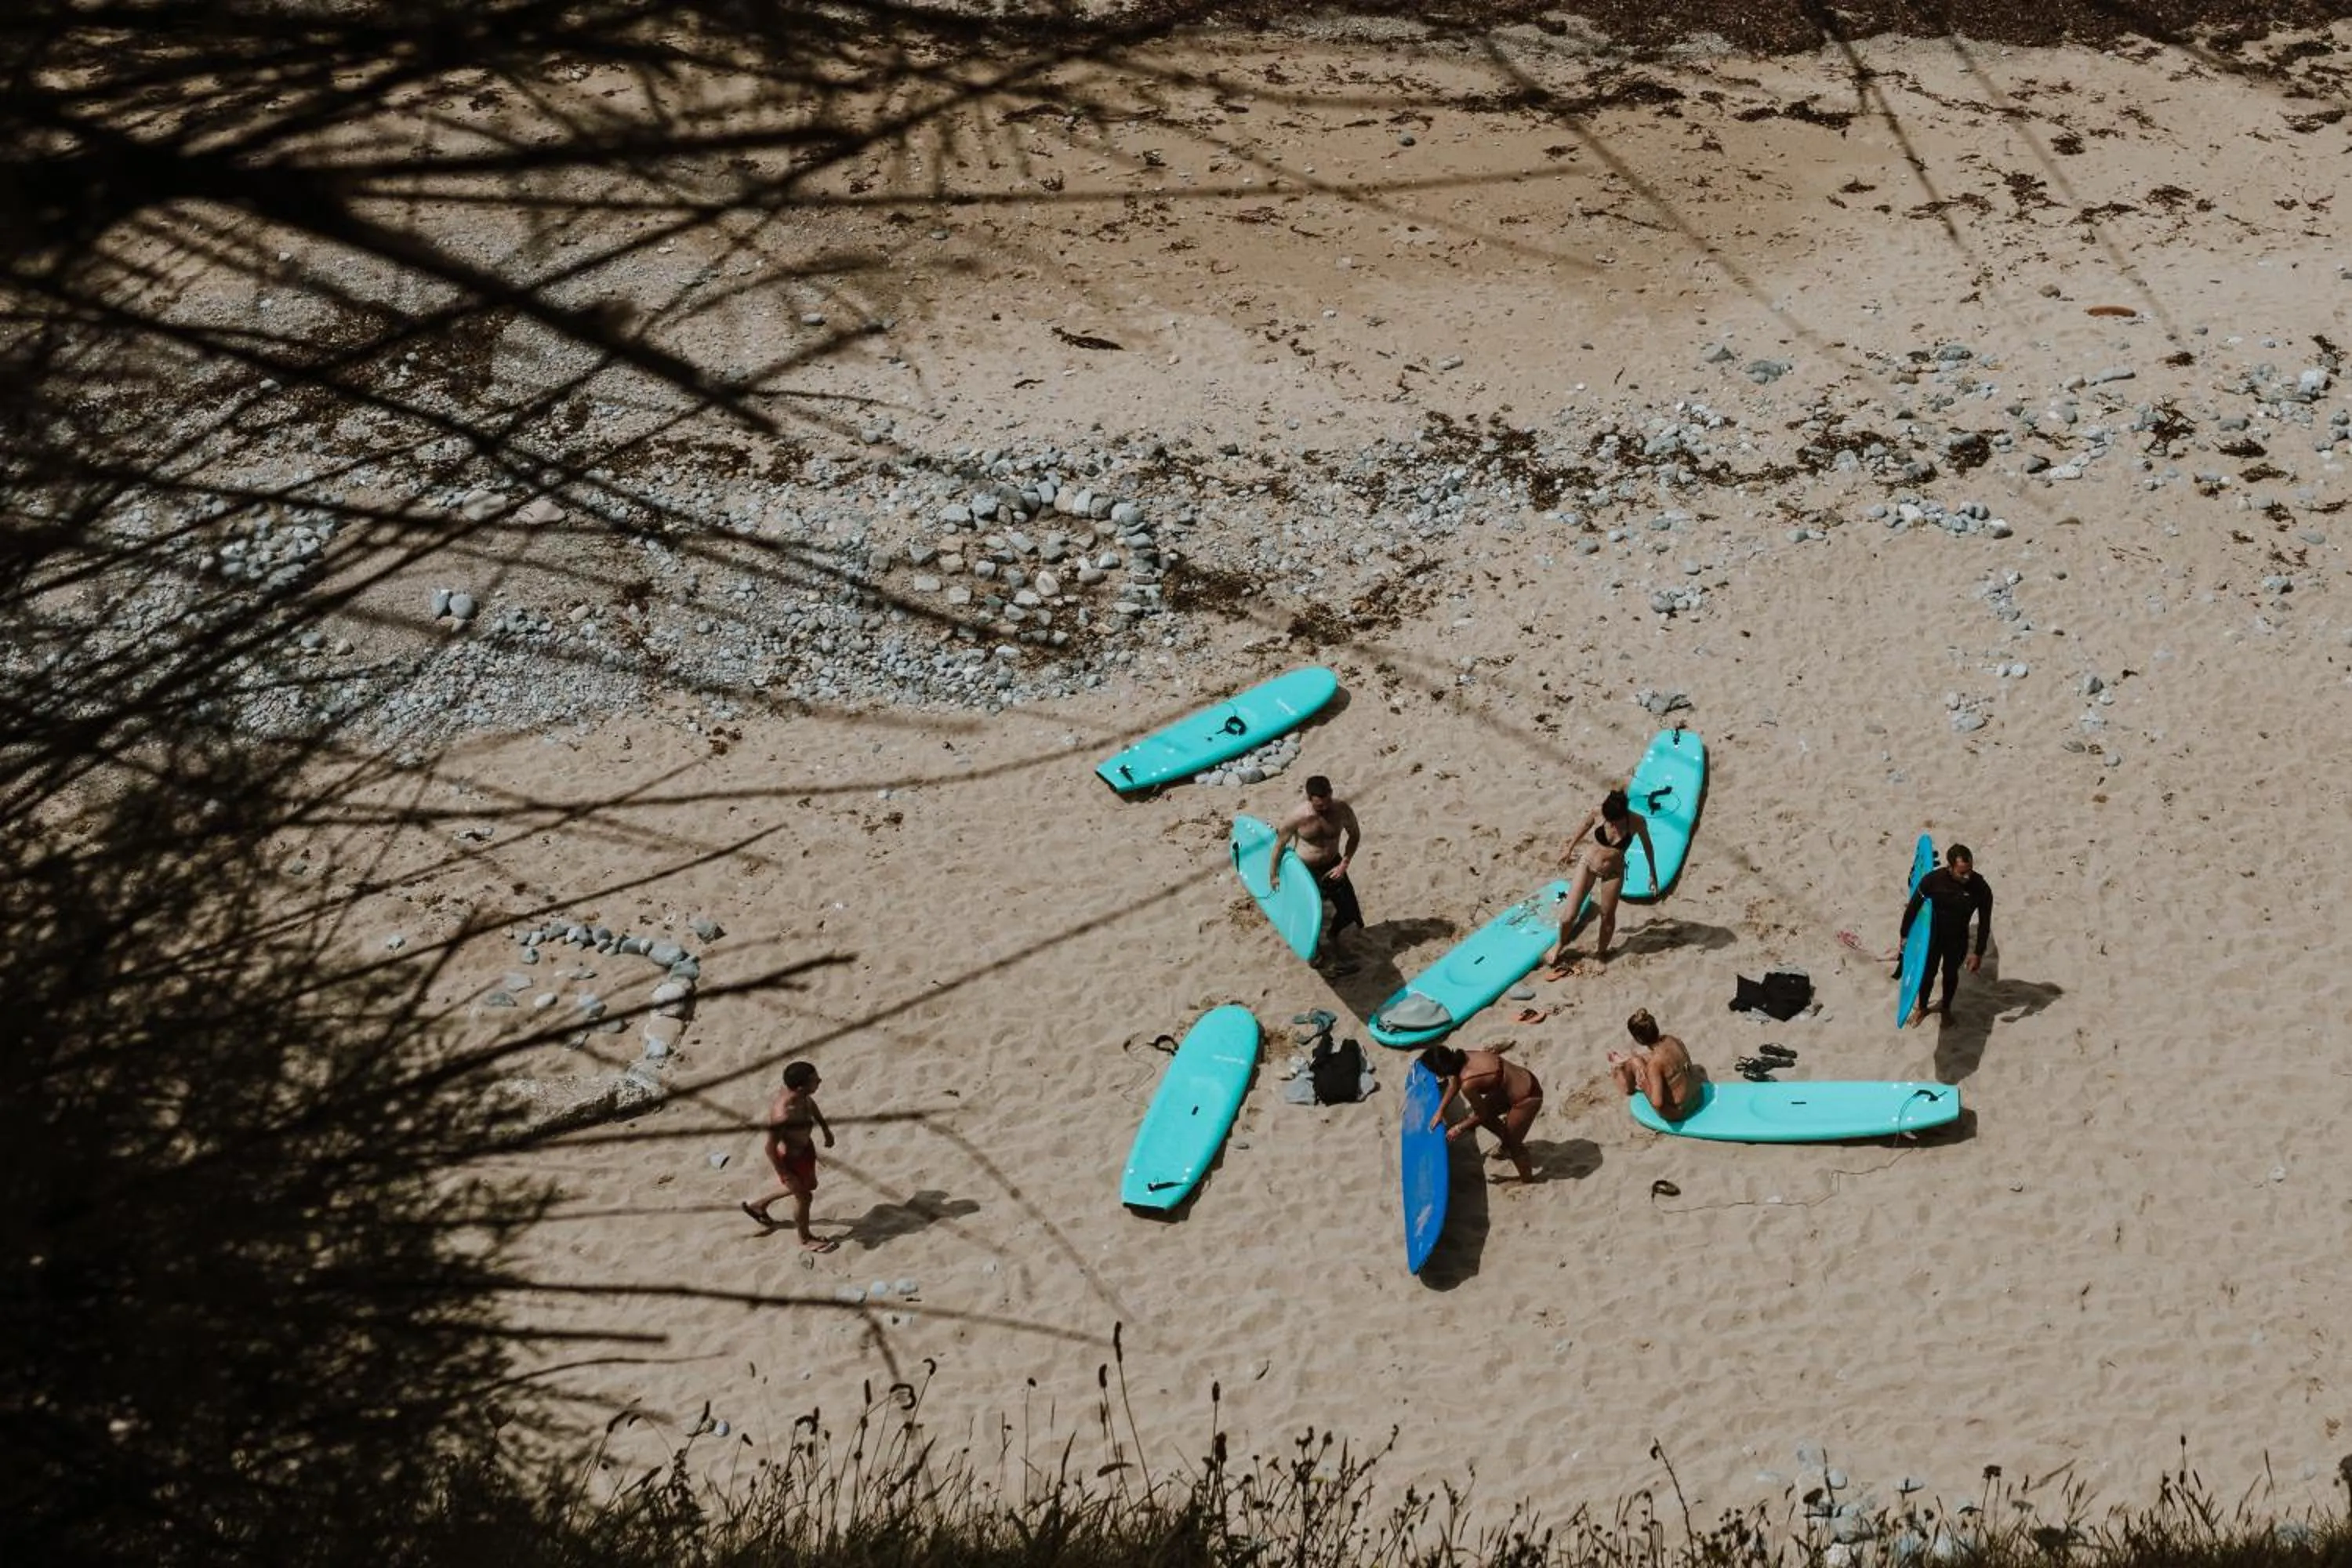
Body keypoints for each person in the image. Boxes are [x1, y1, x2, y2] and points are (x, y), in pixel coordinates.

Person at [1544, 786, 1655, 977]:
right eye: (1608, 820)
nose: (1610, 823)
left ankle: (1600, 954)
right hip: (1588, 865)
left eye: (1614, 821)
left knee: (1607, 916)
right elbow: (1584, 826)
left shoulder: (1637, 821)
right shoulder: (1599, 812)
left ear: (1623, 814)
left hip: (1614, 872)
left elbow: (1648, 845)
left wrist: (1652, 873)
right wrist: (1569, 848)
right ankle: (1559, 944)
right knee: (1568, 916)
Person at [1269, 775, 1364, 971]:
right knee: (1317, 915)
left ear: (1331, 793)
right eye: (1319, 806)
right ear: (1309, 798)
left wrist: (1344, 864)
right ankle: (1325, 960)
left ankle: (1333, 936)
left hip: (1334, 865)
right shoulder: (1297, 817)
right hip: (1306, 870)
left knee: (1348, 911)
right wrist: (1274, 875)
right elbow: (1279, 845)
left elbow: (1355, 835)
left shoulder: (1341, 810)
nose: (1324, 808)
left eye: (1327, 802)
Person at [742, 1060, 837, 1251]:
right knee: (805, 1197)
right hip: (791, 1160)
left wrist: (825, 1129)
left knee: (810, 1185)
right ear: (801, 1087)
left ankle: (758, 1205)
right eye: (815, 1080)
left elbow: (810, 1104)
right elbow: (770, 1148)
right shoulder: (783, 1115)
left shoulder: (803, 1096)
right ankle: (805, 1239)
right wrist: (786, 1175)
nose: (820, 1081)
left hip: (806, 1149)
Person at [1900, 843, 1993, 1026]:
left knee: (1950, 975)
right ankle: (1922, 1008)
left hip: (1957, 939)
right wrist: (1904, 935)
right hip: (1933, 938)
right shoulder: (1932, 881)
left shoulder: (1981, 888)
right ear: (1950, 867)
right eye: (1962, 872)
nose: (1967, 876)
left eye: (1970, 870)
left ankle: (1946, 1009)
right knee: (1928, 974)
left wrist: (1978, 953)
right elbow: (1913, 908)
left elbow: (1985, 923)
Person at [1419, 1043, 1542, 1182]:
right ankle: (1506, 1142)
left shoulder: (1468, 1084)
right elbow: (1455, 1083)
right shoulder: (1462, 1056)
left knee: (1515, 1145)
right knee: (1488, 1118)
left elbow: (1480, 1115)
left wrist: (1458, 1128)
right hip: (1516, 1082)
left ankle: (1527, 1180)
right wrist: (1440, 1111)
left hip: (1527, 1097)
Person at [1608, 1008, 1698, 1122]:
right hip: (1697, 1098)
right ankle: (1626, 1061)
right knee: (1641, 1058)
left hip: (1680, 1112)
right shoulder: (1672, 1039)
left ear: (1638, 1039)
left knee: (1634, 1062)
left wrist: (1645, 1087)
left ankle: (1626, 1080)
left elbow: (1657, 1103)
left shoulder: (1654, 1066)